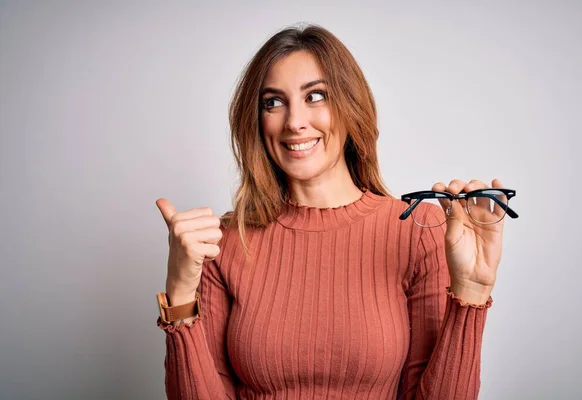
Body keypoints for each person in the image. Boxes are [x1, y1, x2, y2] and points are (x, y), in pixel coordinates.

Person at [155, 24, 512, 400]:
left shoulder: (417, 231)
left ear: (350, 105)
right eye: (273, 102)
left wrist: (471, 294)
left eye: (316, 96)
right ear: (256, 121)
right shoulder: (224, 243)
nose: (294, 122)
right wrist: (179, 293)